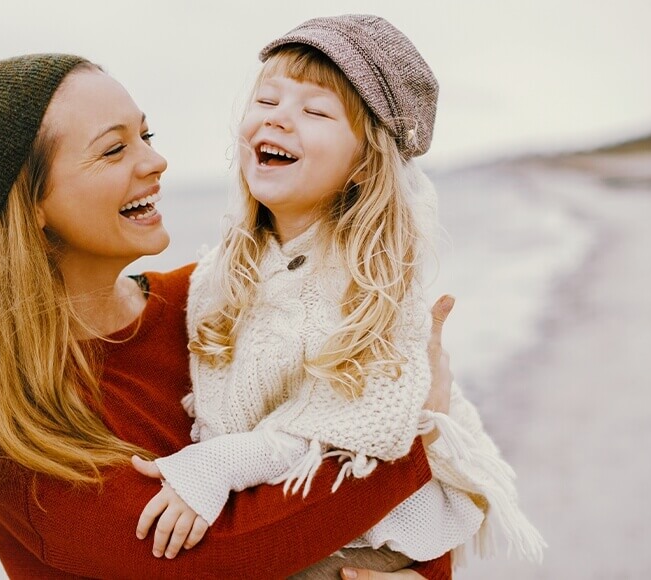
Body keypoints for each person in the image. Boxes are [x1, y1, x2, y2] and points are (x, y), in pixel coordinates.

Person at [0, 53, 456, 579]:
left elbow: (355, 476)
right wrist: (416, 433)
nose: (156, 161)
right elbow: (200, 557)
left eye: (146, 134)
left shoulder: (210, 302)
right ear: (31, 202)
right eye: (114, 148)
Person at [129, 15, 545, 576]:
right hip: (277, 509)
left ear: (363, 164)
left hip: (360, 534)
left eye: (316, 111)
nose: (279, 117)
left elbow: (334, 438)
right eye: (267, 99)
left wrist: (213, 466)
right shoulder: (221, 273)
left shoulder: (375, 291)